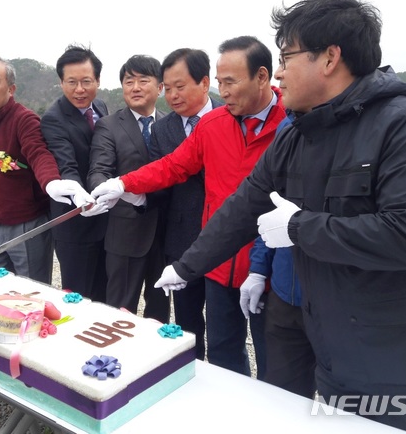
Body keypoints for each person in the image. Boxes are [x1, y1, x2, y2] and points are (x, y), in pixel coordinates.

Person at [154, 0, 406, 433]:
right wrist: (186, 267)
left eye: (285, 58)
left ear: (330, 58)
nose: (278, 72)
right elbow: (246, 204)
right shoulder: (298, 132)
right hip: (333, 343)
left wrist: (299, 228)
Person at [92, 37, 287, 376]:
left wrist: (262, 268)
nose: (224, 92)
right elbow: (172, 166)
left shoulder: (290, 126)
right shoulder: (213, 125)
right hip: (217, 261)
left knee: (276, 364)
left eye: (230, 82)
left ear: (261, 76)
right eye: (221, 81)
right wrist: (122, 184)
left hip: (269, 268)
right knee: (224, 354)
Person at [0, 55, 91, 283]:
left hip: (28, 225)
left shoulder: (24, 120)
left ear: (10, 89)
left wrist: (52, 183)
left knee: (31, 292)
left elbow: (38, 153)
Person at [149, 48, 223, 360]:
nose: (173, 95)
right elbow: (158, 179)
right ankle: (191, 374)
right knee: (189, 320)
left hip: (223, 236)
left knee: (224, 323)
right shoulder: (162, 128)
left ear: (204, 83)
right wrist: (133, 194)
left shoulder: (230, 116)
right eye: (167, 89)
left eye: (181, 86)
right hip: (181, 239)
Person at [87, 55, 170, 322]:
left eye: (143, 81)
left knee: (160, 313)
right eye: (128, 81)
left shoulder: (171, 124)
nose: (135, 87)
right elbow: (99, 169)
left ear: (160, 88)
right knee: (119, 311)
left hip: (167, 234)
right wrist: (102, 190)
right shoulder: (109, 125)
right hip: (125, 233)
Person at [241, 114, 317, 399]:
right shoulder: (289, 128)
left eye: (287, 65)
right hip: (285, 296)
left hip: (340, 306)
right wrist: (258, 270)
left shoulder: (382, 125)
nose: (280, 74)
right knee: (284, 396)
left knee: (348, 410)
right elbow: (271, 211)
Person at [40, 45, 110, 302]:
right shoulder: (54, 118)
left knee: (104, 294)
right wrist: (79, 196)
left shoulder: (100, 106)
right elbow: (65, 164)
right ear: (61, 82)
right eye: (71, 82)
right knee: (78, 296)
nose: (79, 90)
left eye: (86, 81)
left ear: (98, 81)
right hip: (74, 223)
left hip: (105, 219)